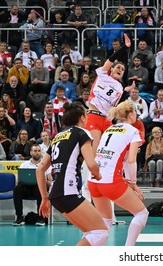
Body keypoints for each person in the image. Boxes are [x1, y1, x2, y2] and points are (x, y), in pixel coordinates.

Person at [36, 101, 108, 246]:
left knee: (90, 232)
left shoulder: (57, 137)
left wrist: (44, 198)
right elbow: (91, 163)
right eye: (86, 115)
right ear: (82, 117)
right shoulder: (82, 133)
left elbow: (40, 169)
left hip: (55, 195)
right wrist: (98, 175)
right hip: (69, 191)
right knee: (100, 232)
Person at [88, 101, 148, 246]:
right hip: (109, 181)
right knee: (141, 213)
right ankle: (128, 253)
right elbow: (131, 160)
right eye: (135, 112)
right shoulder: (133, 131)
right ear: (130, 114)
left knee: (106, 220)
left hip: (93, 181)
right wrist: (133, 183)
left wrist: (125, 178)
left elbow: (120, 159)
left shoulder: (109, 129)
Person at [85, 33, 133, 156]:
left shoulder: (119, 88)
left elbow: (115, 107)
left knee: (106, 153)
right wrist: (125, 48)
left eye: (122, 70)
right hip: (94, 116)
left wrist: (126, 92)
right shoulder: (103, 75)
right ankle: (90, 175)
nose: (120, 70)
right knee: (95, 151)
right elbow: (110, 60)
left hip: (107, 120)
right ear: (111, 69)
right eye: (118, 67)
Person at [12, 144, 51, 226]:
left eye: (39, 151)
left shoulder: (46, 165)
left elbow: (50, 181)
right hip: (26, 189)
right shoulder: (24, 164)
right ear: (31, 152)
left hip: (38, 189)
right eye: (35, 151)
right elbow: (19, 180)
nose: (37, 153)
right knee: (17, 188)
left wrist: (45, 181)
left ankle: (41, 218)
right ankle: (19, 217)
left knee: (39, 188)